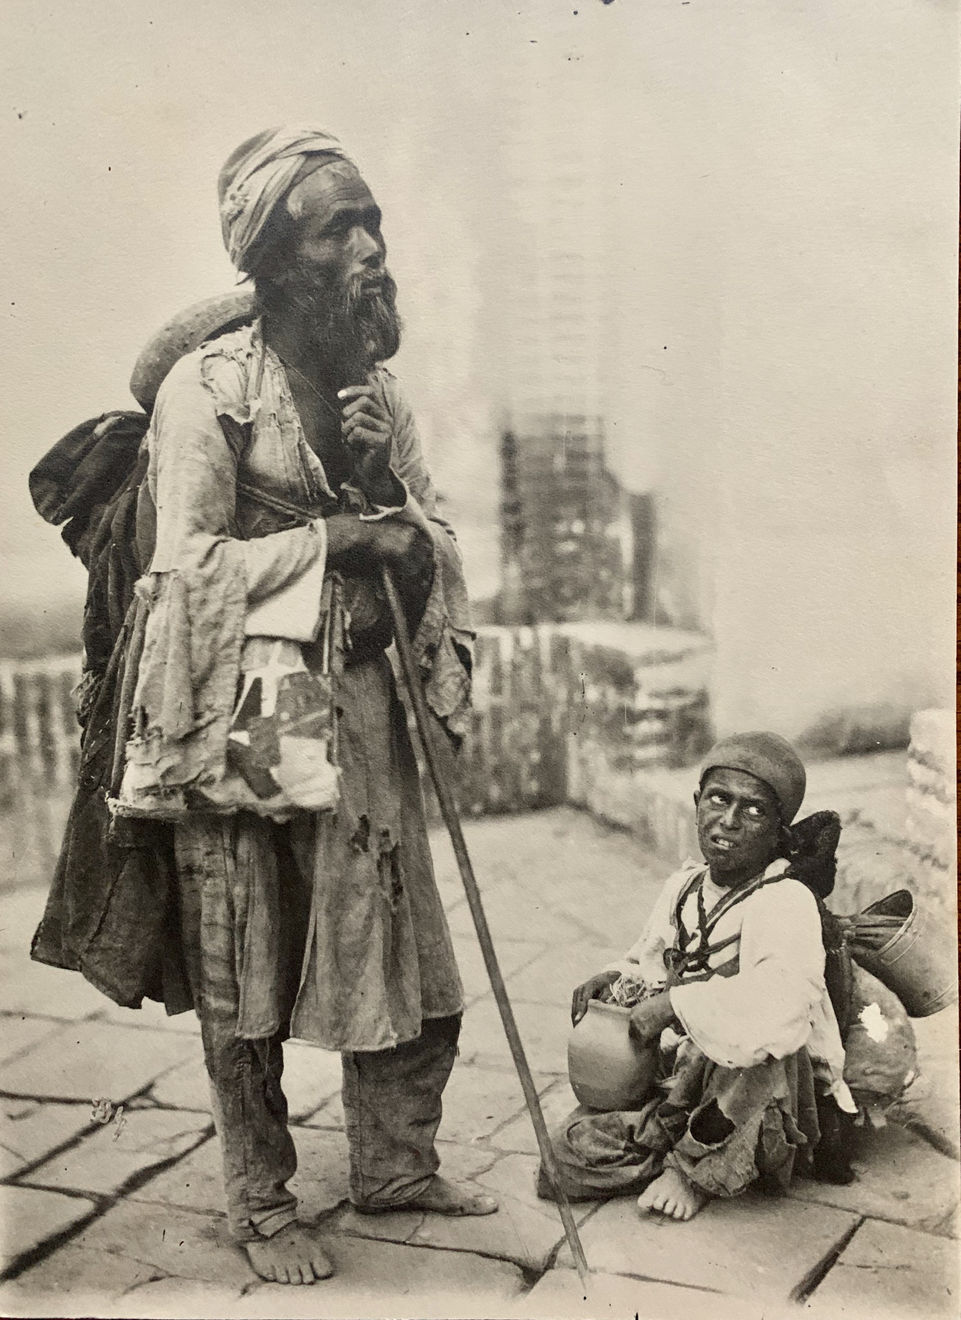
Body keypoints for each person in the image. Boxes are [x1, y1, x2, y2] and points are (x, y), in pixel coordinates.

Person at [61, 126, 497, 1285]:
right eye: (334, 227)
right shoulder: (212, 395)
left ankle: (396, 1164)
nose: (365, 247)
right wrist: (337, 537)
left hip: (361, 703)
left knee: (395, 935)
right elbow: (184, 572)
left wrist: (386, 496)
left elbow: (434, 540)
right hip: (258, 710)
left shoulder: (376, 390)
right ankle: (260, 1198)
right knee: (251, 941)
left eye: (372, 222)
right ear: (270, 257)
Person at [540, 732, 867, 1222]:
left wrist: (676, 1006)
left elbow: (779, 1011)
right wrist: (614, 980)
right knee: (566, 1159)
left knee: (763, 1050)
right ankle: (677, 1141)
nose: (729, 822)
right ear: (697, 804)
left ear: (780, 830)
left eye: (754, 810)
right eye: (718, 799)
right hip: (681, 1081)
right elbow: (650, 963)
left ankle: (696, 1170)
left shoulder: (783, 900)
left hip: (760, 1090)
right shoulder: (684, 886)